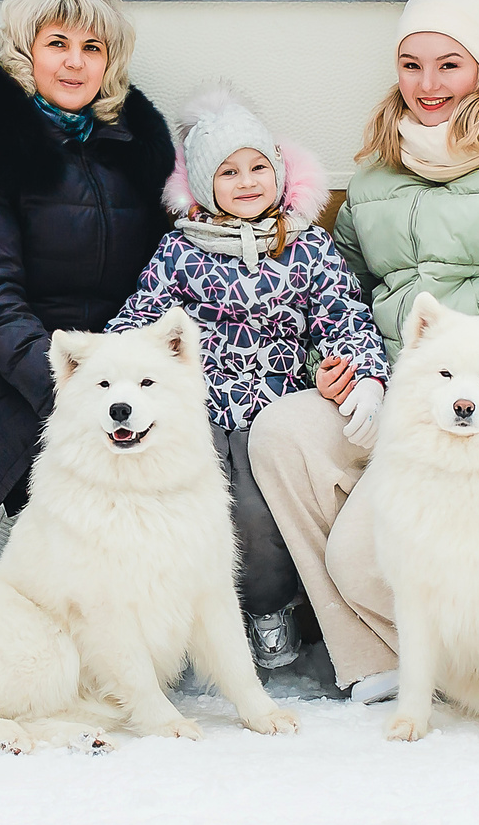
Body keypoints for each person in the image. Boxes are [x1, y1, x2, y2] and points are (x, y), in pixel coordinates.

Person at [247, 0, 479, 695]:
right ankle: (379, 657)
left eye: (449, 64)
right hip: (388, 396)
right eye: (413, 64)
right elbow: (336, 295)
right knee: (279, 433)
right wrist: (331, 363)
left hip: (470, 414)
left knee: (359, 556)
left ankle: (467, 664)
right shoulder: (378, 177)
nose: (429, 83)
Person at [106, 88, 391, 671]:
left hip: (275, 408)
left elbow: (343, 314)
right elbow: (142, 318)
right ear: (205, 186)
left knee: (262, 522)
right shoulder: (181, 253)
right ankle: (182, 622)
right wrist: (111, 363)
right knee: (198, 510)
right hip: (203, 411)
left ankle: (270, 609)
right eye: (228, 172)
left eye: (259, 166)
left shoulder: (307, 246)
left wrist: (361, 371)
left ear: (281, 172)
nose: (247, 181)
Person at [0, 0, 175, 521]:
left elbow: (173, 271)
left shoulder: (132, 146)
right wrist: (71, 395)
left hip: (101, 371)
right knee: (94, 494)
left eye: (91, 48)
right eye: (58, 44)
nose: (75, 63)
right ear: (26, 51)